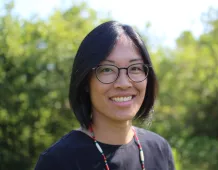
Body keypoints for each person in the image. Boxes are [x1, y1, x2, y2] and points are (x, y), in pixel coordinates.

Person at [34, 21, 175, 170]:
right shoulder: (58, 161)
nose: (124, 83)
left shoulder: (160, 150)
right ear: (86, 81)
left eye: (135, 68)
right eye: (107, 70)